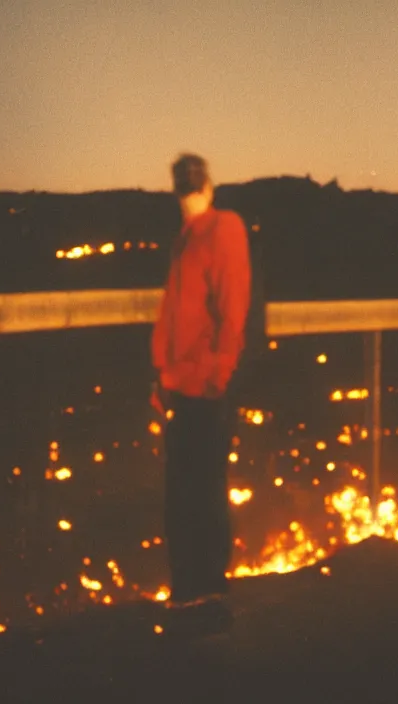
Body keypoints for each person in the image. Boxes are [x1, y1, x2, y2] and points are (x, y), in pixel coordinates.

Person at [150, 153, 251, 627]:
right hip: (182, 387)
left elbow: (232, 307)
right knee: (185, 490)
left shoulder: (220, 229)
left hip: (202, 387)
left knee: (202, 489)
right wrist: (164, 378)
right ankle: (190, 590)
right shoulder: (188, 238)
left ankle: (205, 592)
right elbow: (178, 317)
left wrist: (217, 374)